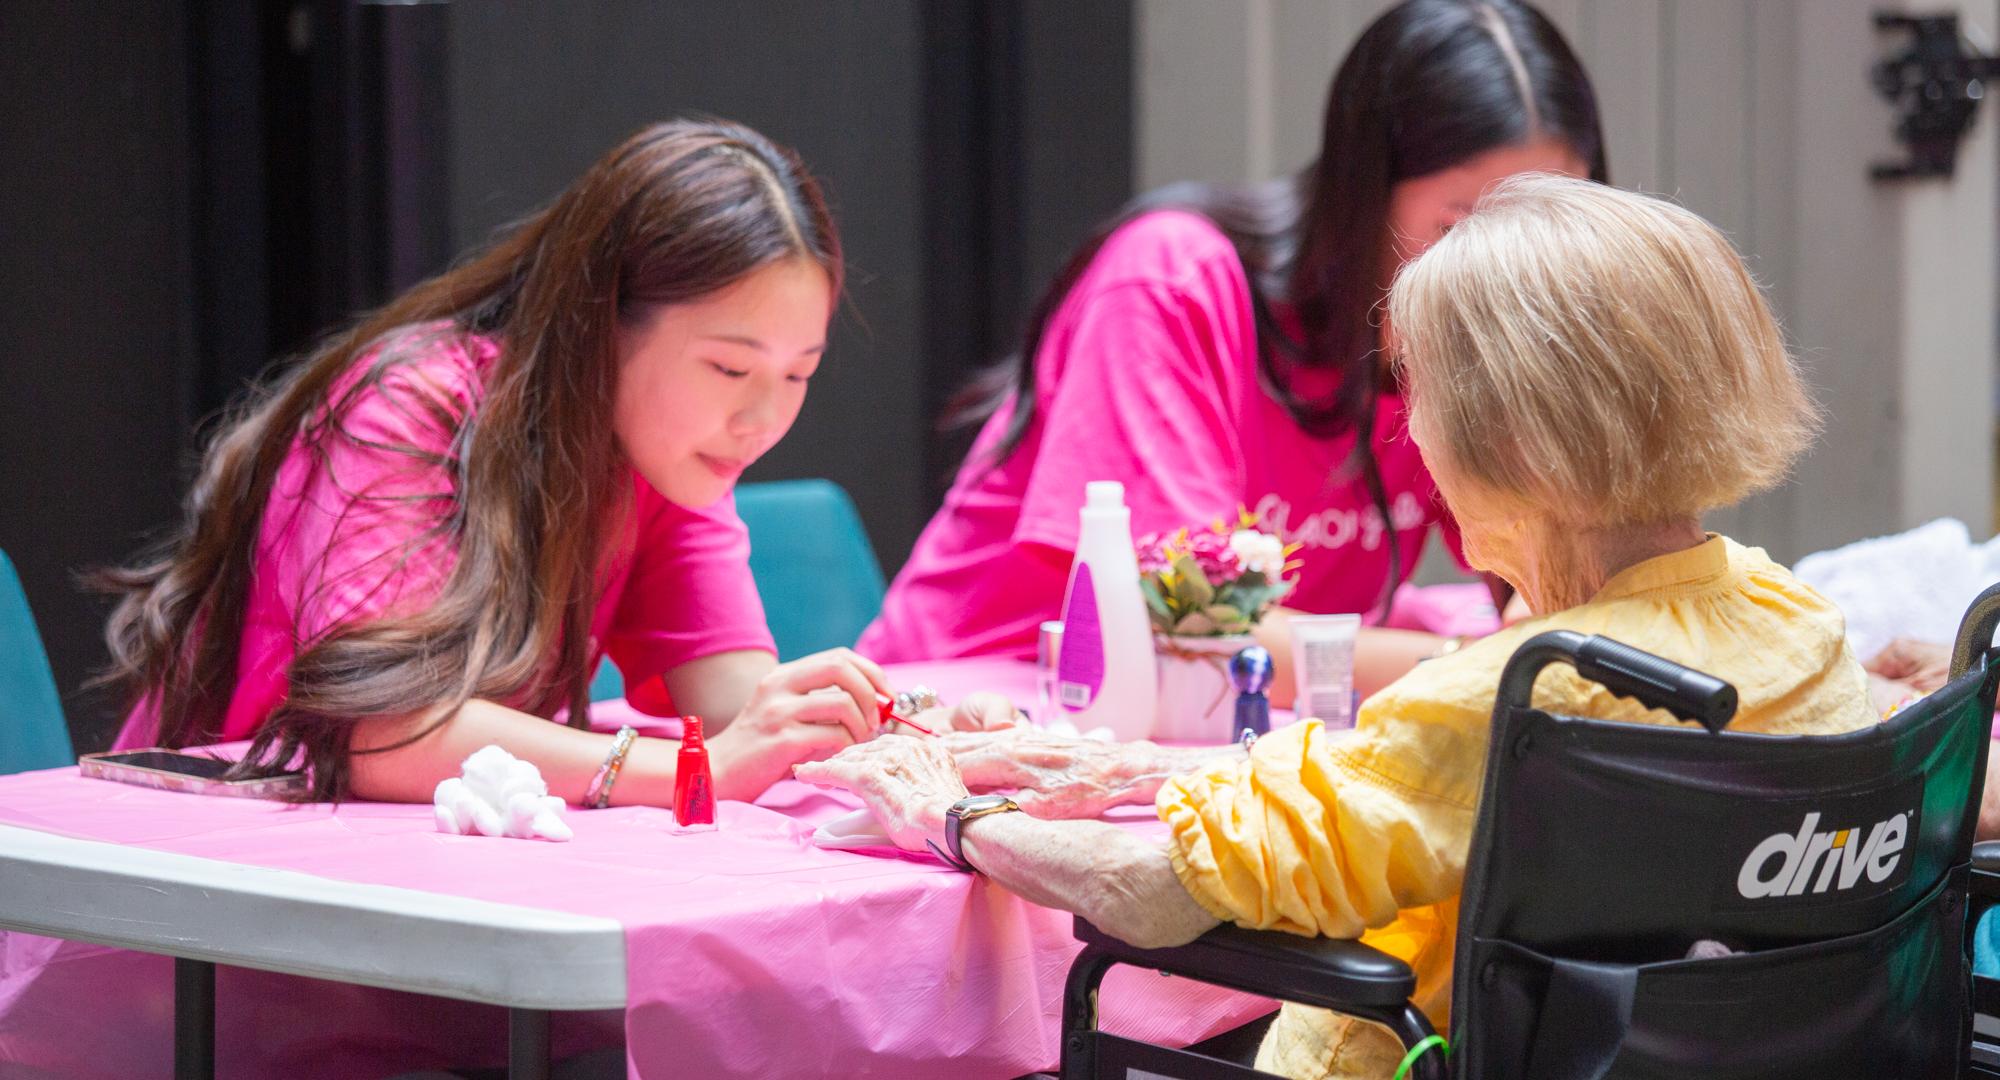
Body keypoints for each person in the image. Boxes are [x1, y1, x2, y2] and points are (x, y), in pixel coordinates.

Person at [799, 176, 1877, 1079]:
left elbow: (1147, 892)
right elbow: (1393, 796)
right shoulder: (1792, 622)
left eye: (1422, 389)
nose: (1410, 428)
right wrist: (1151, 773)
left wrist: (944, 813)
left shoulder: (1514, 698)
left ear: (1512, 436)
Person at [97, 119, 1004, 806]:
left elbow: (733, 697)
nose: (763, 418)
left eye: (798, 374)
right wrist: (703, 769)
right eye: (729, 367)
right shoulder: (410, 406)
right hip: (216, 906)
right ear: (599, 321)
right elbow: (384, 730)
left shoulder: (665, 452)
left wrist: (897, 737)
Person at [858, 0, 1604, 700]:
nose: (1510, 270)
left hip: (1230, 734)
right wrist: (1482, 668)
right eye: (1460, 226)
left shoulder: (1479, 332)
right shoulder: (1173, 282)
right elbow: (1190, 635)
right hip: (991, 710)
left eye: (1549, 224)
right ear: (1363, 192)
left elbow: (1574, 589)